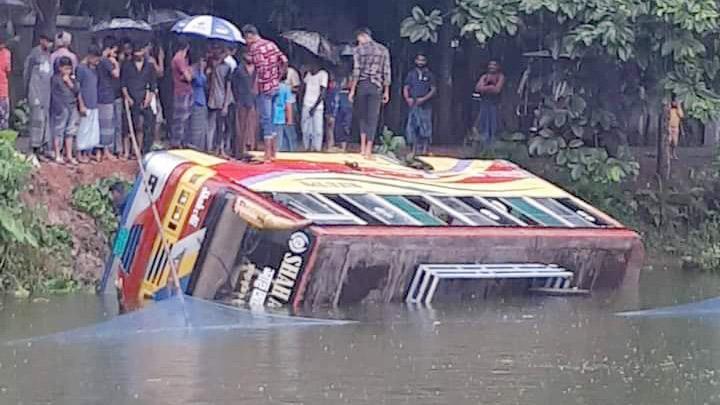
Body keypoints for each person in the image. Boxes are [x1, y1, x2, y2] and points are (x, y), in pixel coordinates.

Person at [243, 24, 288, 162]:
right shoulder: (271, 44)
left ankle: (268, 153)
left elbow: (259, 68)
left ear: (250, 35)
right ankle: (273, 152)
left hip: (264, 87)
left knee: (266, 120)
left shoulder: (255, 48)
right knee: (272, 119)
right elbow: (284, 60)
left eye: (246, 38)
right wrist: (279, 75)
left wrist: (256, 84)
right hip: (275, 86)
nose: (246, 42)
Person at [349, 27, 391, 159]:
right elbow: (386, 72)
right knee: (373, 118)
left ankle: (362, 148)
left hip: (362, 85)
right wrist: (386, 91)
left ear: (362, 36)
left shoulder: (358, 50)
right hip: (376, 86)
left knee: (362, 116)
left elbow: (357, 71)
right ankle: (368, 149)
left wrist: (352, 90)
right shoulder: (383, 50)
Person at [121, 41, 157, 155]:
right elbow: (123, 84)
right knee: (127, 127)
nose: (138, 55)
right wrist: (127, 97)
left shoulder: (150, 66)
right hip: (130, 100)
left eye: (140, 52)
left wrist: (149, 98)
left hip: (144, 99)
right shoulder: (126, 65)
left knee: (141, 127)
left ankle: (138, 150)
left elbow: (153, 85)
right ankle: (127, 152)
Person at [24, 30, 54, 161]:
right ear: (42, 40)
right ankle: (32, 150)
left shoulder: (49, 55)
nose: (49, 44)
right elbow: (27, 74)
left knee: (45, 123)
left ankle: (41, 150)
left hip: (46, 94)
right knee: (36, 121)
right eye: (47, 41)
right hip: (35, 92)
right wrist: (30, 93)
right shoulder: (34, 54)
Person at [403, 53, 436, 155]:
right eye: (419, 60)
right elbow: (406, 87)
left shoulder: (429, 75)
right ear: (415, 61)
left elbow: (433, 89)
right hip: (413, 104)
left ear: (426, 62)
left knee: (425, 127)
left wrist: (424, 99)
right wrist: (407, 98)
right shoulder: (411, 74)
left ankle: (425, 150)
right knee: (412, 127)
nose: (420, 62)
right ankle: (413, 151)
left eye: (423, 60)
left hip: (425, 105)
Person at [50, 56, 79, 164]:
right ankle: (58, 154)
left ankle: (69, 155)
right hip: (61, 108)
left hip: (72, 106)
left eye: (69, 68)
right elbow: (54, 95)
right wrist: (60, 108)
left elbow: (77, 90)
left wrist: (69, 82)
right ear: (60, 68)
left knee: (70, 131)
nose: (67, 71)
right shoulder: (55, 79)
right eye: (65, 68)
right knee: (59, 131)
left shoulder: (72, 78)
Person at [76, 45, 102, 163]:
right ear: (90, 56)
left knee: (92, 129)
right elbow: (78, 88)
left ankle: (87, 151)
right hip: (85, 103)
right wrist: (81, 104)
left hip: (93, 103)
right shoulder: (81, 68)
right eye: (96, 59)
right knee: (83, 129)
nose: (97, 62)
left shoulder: (93, 69)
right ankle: (79, 153)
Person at [207, 44, 233, 156]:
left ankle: (220, 147)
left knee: (221, 125)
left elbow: (228, 86)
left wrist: (226, 104)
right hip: (212, 98)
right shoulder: (211, 65)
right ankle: (210, 147)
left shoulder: (227, 68)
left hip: (222, 99)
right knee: (211, 124)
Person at [231, 48, 258, 156]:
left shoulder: (257, 70)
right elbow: (233, 85)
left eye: (252, 55)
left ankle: (251, 150)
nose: (250, 57)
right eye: (248, 54)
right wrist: (236, 97)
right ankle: (239, 152)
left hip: (253, 100)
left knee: (252, 127)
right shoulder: (239, 69)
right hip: (241, 100)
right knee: (240, 127)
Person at [97, 36, 120, 160]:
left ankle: (101, 151)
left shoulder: (99, 60)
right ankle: (105, 150)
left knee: (103, 123)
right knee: (106, 124)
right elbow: (116, 74)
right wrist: (116, 63)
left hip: (101, 94)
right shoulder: (106, 61)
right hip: (106, 96)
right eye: (114, 51)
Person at [473, 60, 505, 147]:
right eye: (490, 65)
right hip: (484, 104)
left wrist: (485, 88)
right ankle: (484, 145)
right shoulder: (485, 76)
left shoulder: (500, 76)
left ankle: (493, 144)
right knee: (483, 124)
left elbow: (497, 89)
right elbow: (477, 88)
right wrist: (490, 87)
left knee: (494, 125)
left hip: (495, 104)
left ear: (498, 66)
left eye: (494, 65)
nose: (492, 66)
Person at [302, 60, 329, 151]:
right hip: (306, 104)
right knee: (306, 129)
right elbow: (303, 89)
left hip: (318, 107)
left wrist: (314, 107)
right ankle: (307, 147)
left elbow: (323, 93)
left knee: (317, 130)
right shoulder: (308, 75)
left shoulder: (323, 74)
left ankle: (317, 148)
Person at [171, 37, 193, 148]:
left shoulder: (183, 59)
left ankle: (183, 142)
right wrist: (188, 72)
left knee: (186, 118)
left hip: (186, 91)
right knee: (181, 119)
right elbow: (189, 77)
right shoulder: (179, 59)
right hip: (181, 92)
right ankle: (177, 143)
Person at [189, 50, 208, 150]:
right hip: (195, 100)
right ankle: (194, 147)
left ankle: (200, 147)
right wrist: (200, 68)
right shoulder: (193, 70)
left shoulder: (202, 72)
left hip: (202, 99)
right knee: (195, 127)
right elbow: (199, 82)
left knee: (202, 127)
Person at [334, 72, 354, 152]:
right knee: (339, 125)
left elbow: (351, 86)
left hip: (348, 106)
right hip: (340, 106)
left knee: (346, 126)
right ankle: (340, 146)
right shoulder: (340, 79)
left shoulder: (351, 78)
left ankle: (344, 146)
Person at [275, 76, 294, 152]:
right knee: (279, 141)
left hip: (270, 117)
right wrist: (289, 120)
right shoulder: (285, 88)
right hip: (280, 117)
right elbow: (288, 105)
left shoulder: (269, 87)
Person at [0, 33, 12, 130]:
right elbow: (8, 70)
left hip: (3, 90)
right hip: (3, 90)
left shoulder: (7, 53)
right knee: (3, 118)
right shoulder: (6, 53)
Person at [669, 96, 684, 160]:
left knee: (675, 142)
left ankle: (673, 154)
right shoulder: (669, 109)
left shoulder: (677, 110)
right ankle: (668, 154)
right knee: (669, 141)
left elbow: (681, 116)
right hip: (669, 127)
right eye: (674, 101)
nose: (675, 103)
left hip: (675, 127)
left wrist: (679, 106)